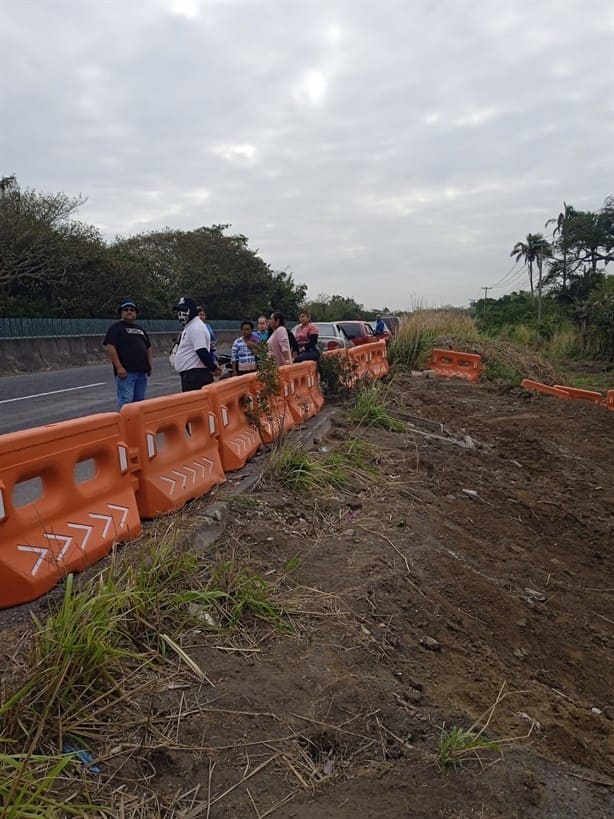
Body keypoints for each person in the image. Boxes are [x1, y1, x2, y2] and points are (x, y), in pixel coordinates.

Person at [103, 299, 152, 409]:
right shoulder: (116, 328)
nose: (129, 312)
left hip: (141, 372)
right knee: (126, 402)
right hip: (126, 373)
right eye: (126, 310)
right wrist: (119, 367)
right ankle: (126, 425)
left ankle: (136, 426)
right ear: (121, 313)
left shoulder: (140, 329)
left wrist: (149, 366)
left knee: (139, 403)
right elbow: (110, 347)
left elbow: (148, 347)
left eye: (132, 310)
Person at [172, 296, 219, 391]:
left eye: (184, 310)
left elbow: (201, 351)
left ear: (192, 310)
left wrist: (213, 368)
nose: (180, 314)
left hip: (195, 375)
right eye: (179, 311)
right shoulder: (190, 326)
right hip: (191, 374)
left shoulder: (196, 327)